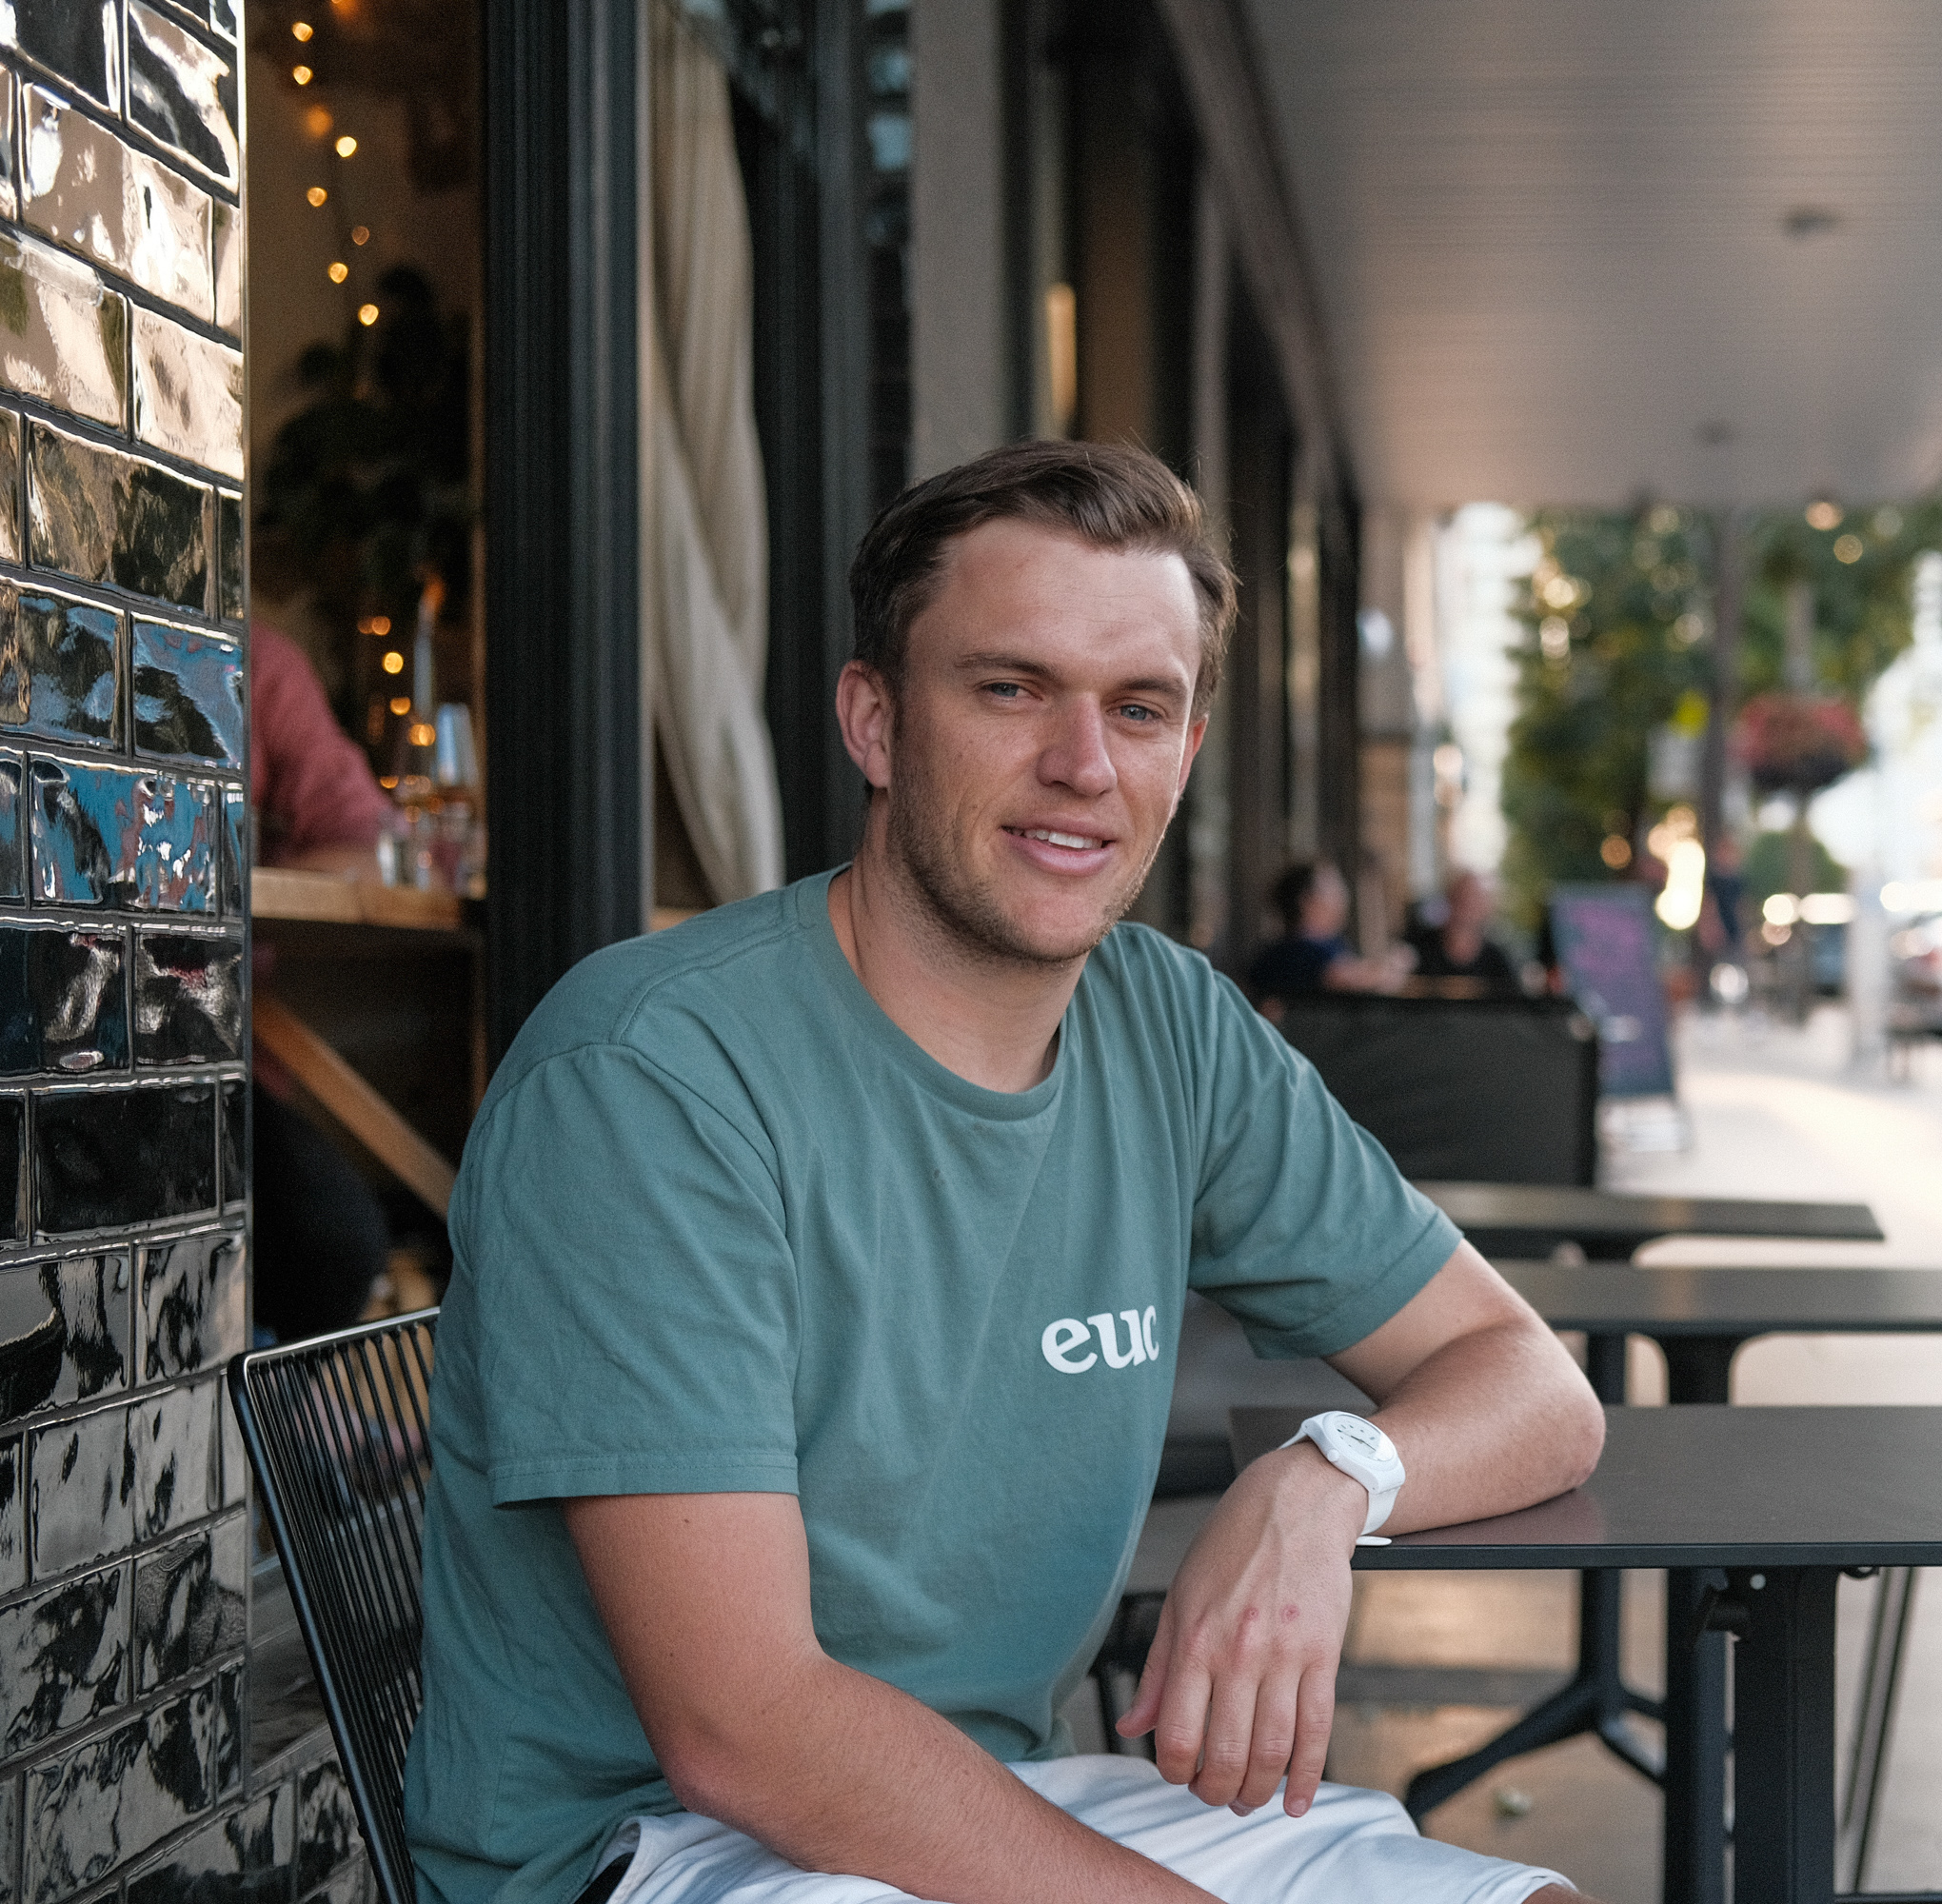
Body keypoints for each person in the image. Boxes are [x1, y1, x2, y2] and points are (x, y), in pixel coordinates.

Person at [406, 440, 1608, 1904]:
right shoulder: (653, 1080)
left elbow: (1532, 1384)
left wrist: (1333, 1478)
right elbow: (745, 1732)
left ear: (1185, 750)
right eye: (1011, 687)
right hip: (664, 1848)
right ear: (875, 721)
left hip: (997, 1795)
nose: (1082, 766)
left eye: (1139, 708)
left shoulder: (1168, 1027)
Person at [248, 625, 399, 1340]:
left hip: (224, 1055)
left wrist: (215, 895)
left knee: (333, 1242)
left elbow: (373, 852)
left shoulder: (254, 666)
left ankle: (289, 1422)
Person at [1245, 858, 1415, 999]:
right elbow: (1354, 980)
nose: (1343, 899)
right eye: (1333, 889)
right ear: (1307, 902)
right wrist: (1396, 963)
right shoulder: (1295, 953)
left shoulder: (1331, 944)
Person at [1402, 869, 1519, 993]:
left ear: (1487, 908)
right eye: (1462, 897)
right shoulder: (1415, 949)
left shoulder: (1497, 961)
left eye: (1475, 900)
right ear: (1449, 899)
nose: (1467, 906)